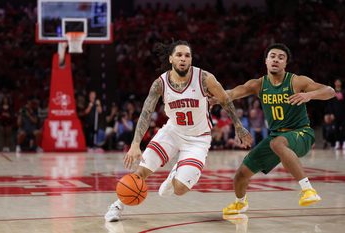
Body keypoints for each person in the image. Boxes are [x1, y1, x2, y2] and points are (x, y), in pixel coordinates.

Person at [105, 40, 252, 222]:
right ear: (171, 59)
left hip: (198, 139)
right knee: (141, 171)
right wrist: (135, 144)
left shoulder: (205, 78)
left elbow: (225, 100)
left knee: (179, 189)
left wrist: (238, 126)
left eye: (187, 55)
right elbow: (146, 112)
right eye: (179, 55)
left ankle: (175, 173)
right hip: (172, 132)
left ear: (191, 59)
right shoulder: (160, 83)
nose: (183, 58)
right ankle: (117, 206)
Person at [221, 43, 335, 215]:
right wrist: (216, 97)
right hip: (276, 136)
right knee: (241, 175)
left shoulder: (297, 81)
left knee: (278, 144)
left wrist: (309, 95)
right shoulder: (258, 84)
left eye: (281, 57)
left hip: (301, 133)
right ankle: (240, 204)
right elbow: (234, 92)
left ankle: (308, 190)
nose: (276, 59)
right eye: (272, 56)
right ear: (266, 61)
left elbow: (330, 91)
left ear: (285, 64)